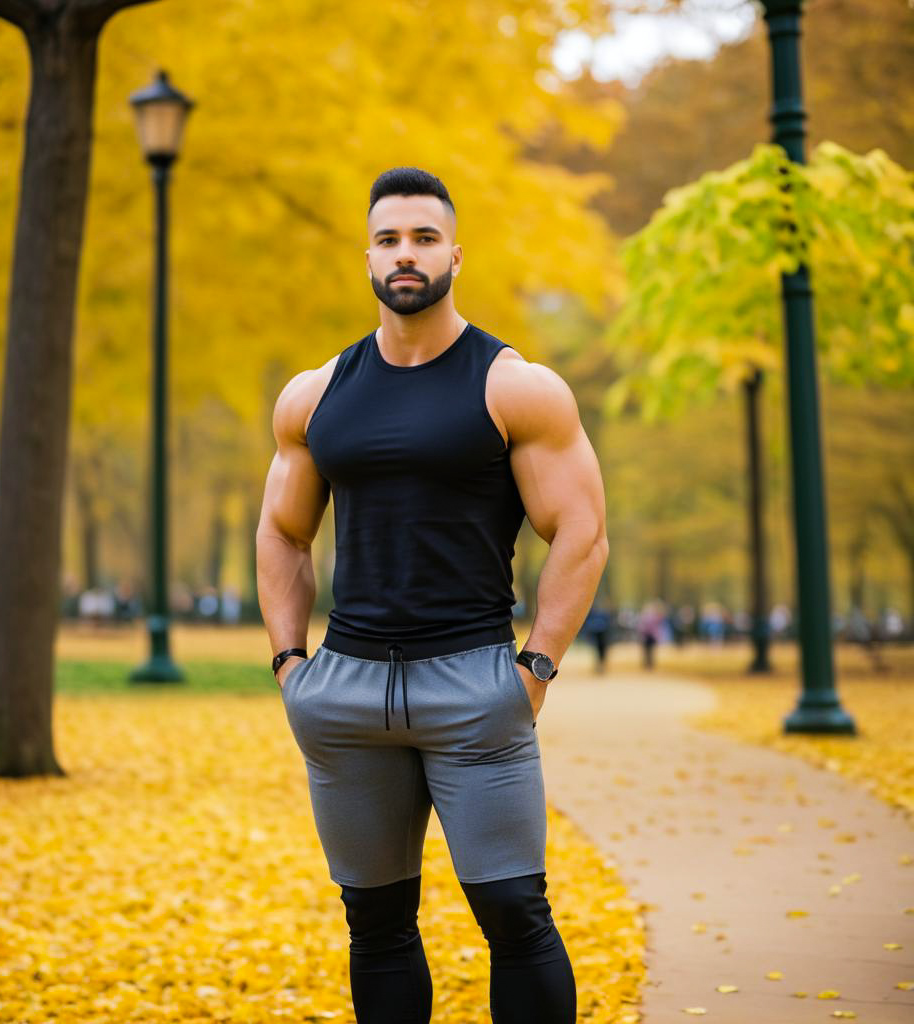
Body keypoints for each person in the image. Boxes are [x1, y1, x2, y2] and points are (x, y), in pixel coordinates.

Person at [256, 167, 608, 1023]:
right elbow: (282, 531)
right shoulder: (315, 395)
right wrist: (290, 662)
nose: (404, 254)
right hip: (343, 693)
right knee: (375, 925)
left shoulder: (514, 386)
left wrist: (534, 671)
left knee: (514, 915)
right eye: (387, 239)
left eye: (422, 237)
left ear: (456, 252)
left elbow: (582, 532)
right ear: (367, 257)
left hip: (474, 687)